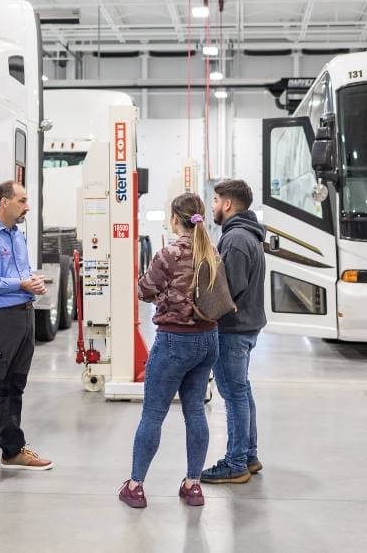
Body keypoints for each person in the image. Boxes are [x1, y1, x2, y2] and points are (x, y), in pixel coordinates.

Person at [119, 193, 220, 509]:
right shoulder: (211, 252)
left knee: (153, 413)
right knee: (195, 410)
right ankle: (193, 485)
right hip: (208, 339)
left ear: (175, 218)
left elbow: (144, 289)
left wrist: (160, 295)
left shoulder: (169, 253)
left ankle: (135, 486)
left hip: (175, 341)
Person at [0, 180, 53, 483]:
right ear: (4, 202)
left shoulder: (18, 236)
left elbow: (20, 274)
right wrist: (20, 284)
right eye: (22, 200)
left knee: (15, 386)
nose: (27, 206)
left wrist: (32, 281)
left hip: (23, 317)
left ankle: (13, 450)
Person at [201, 179, 267, 484]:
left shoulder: (236, 239)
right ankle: (249, 455)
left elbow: (230, 287)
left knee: (235, 394)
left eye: (215, 200)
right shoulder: (245, 235)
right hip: (245, 327)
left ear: (228, 204)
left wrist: (205, 309)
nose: (212, 206)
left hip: (233, 330)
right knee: (241, 391)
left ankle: (236, 462)